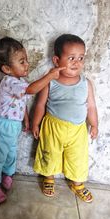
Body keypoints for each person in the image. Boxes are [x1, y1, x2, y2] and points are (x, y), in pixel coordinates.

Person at [0, 35, 65, 203]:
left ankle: (7, 174)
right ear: (7, 68)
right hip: (3, 125)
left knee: (11, 153)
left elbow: (21, 102)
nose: (27, 64)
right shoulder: (10, 82)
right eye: (22, 61)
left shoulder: (20, 81)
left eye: (26, 60)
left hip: (13, 125)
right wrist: (50, 76)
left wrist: (26, 119)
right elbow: (30, 90)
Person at [32, 34, 98, 203]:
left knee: (78, 157)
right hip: (53, 127)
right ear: (56, 60)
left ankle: (77, 184)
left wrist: (94, 124)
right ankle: (48, 178)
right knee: (50, 153)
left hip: (77, 130)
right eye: (71, 58)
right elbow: (40, 104)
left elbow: (91, 106)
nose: (77, 62)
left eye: (81, 58)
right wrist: (35, 123)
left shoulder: (86, 84)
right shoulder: (50, 82)